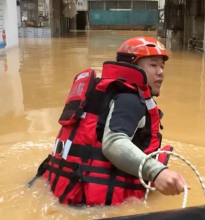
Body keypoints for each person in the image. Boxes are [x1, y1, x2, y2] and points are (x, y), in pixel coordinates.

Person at [31, 37, 190, 206]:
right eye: (153, 65)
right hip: (93, 207)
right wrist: (157, 172)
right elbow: (114, 143)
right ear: (133, 67)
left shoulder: (105, 91)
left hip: (62, 187)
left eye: (162, 66)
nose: (160, 72)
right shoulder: (130, 100)